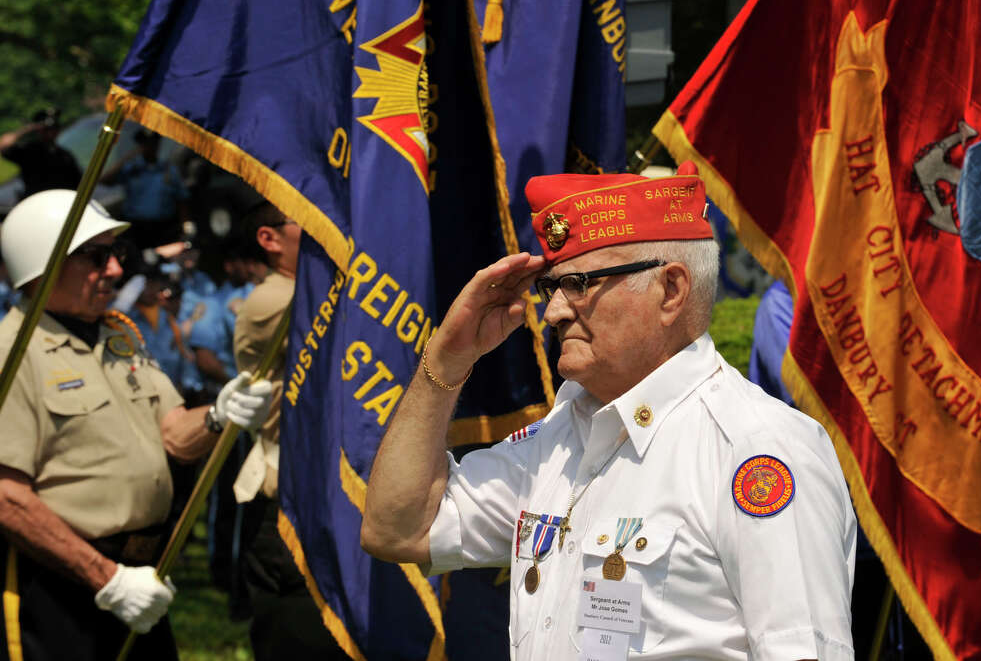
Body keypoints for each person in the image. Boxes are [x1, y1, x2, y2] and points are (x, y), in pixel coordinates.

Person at [362, 163, 857, 660]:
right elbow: (397, 528)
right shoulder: (560, 437)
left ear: (671, 291)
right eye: (549, 288)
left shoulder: (757, 447)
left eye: (578, 283)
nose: (553, 311)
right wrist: (446, 361)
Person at [0, 189, 273, 661]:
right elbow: (7, 496)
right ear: (41, 264)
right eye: (96, 256)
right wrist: (107, 579)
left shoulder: (118, 335)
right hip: (63, 582)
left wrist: (216, 416)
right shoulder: (13, 353)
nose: (115, 270)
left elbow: (173, 433)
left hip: (143, 572)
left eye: (116, 253)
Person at [231, 200, 346, 659]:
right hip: (289, 504)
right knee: (299, 639)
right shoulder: (274, 298)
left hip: (321, 494)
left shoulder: (304, 291)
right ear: (269, 239)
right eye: (310, 221)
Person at [100, 129, 190, 249]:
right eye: (146, 144)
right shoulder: (132, 168)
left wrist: (186, 224)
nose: (150, 147)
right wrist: (128, 157)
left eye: (153, 144)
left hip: (162, 228)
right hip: (136, 228)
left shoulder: (168, 170)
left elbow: (181, 199)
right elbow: (104, 180)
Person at [0, 108, 82, 195]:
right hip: (36, 203)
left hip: (61, 203)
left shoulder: (65, 156)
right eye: (46, 129)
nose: (51, 132)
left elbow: (79, 183)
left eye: (54, 128)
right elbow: (3, 145)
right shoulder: (29, 151)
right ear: (38, 131)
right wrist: (28, 129)